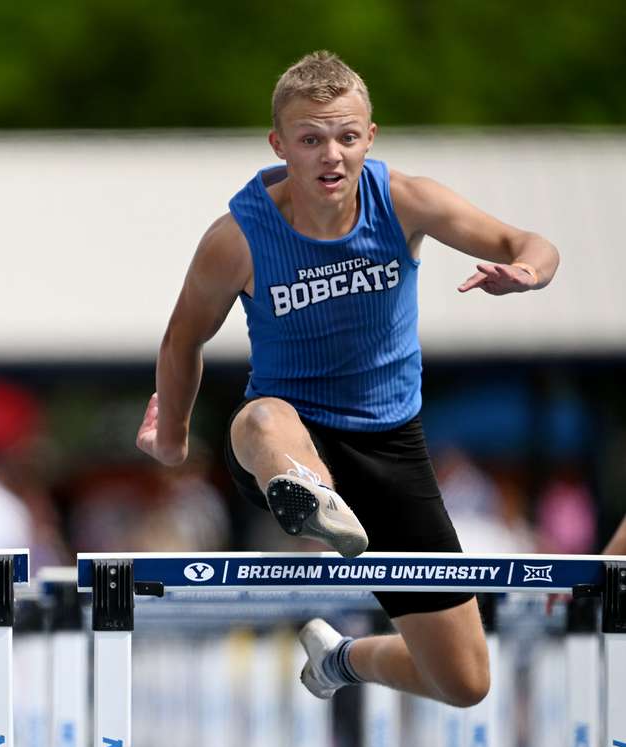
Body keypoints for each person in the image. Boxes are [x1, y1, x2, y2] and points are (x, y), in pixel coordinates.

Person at [136, 51, 559, 706]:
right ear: (281, 144)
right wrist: (172, 440)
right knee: (260, 419)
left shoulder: (404, 201)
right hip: (288, 438)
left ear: (370, 137)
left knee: (465, 681)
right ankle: (310, 496)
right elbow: (182, 337)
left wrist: (527, 274)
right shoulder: (239, 237)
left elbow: (527, 243)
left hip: (391, 450)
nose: (330, 155)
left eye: (346, 136)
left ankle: (341, 657)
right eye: (310, 140)